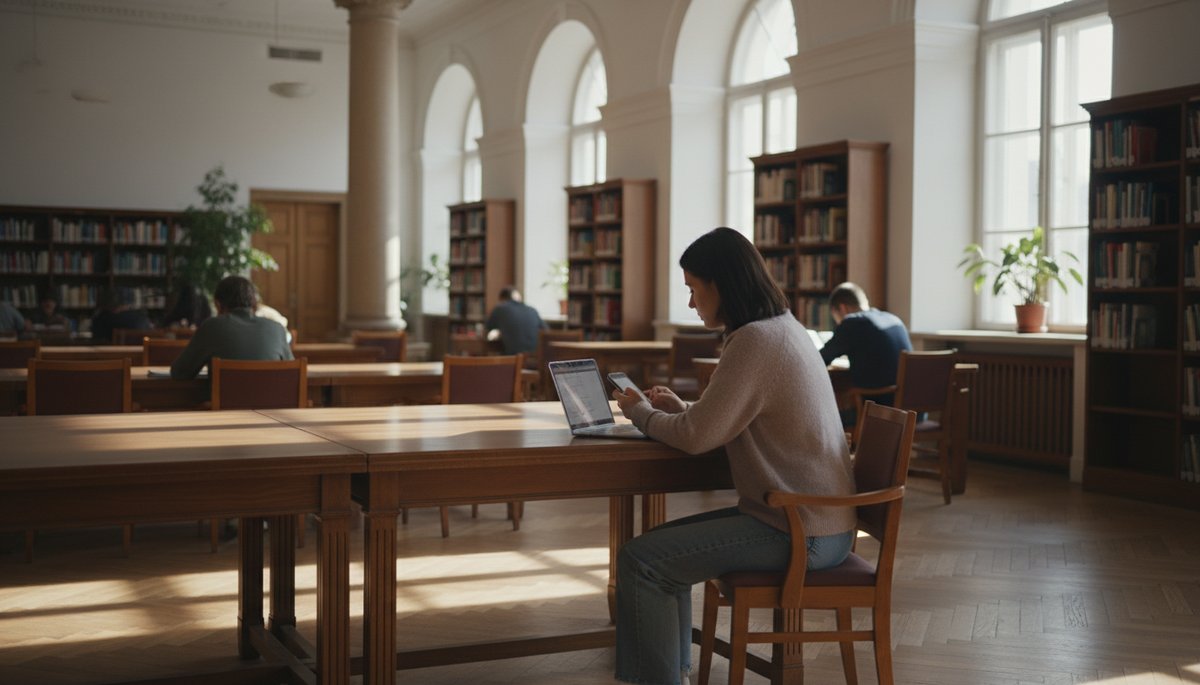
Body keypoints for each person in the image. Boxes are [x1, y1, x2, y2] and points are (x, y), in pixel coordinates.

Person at [610, 227, 855, 685]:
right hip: (815, 521)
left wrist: (640, 412)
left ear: (720, 284)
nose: (690, 303)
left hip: (800, 530)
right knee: (655, 553)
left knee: (643, 562)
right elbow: (726, 419)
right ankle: (672, 674)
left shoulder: (755, 341)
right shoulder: (784, 328)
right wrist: (680, 409)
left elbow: (698, 437)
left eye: (693, 289)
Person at [818, 281, 912, 424]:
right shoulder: (893, 319)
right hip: (912, 412)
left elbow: (819, 360)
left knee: (825, 421)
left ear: (842, 308)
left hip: (882, 414)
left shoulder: (852, 322)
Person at [170, 275, 293, 379]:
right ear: (254, 304)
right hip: (271, 401)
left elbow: (179, 372)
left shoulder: (211, 327)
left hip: (224, 401)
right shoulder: (277, 329)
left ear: (218, 305)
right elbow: (293, 373)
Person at [484, 285, 546, 355]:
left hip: (514, 357)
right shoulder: (532, 310)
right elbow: (545, 330)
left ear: (502, 299)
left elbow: (488, 328)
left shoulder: (500, 308)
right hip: (536, 356)